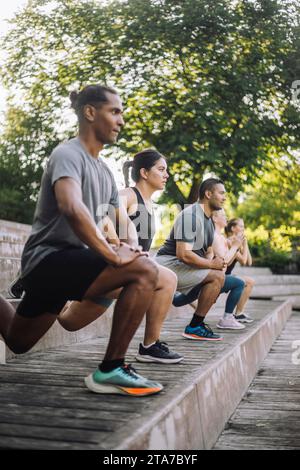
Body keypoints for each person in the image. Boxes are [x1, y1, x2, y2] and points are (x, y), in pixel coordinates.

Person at [0, 84, 164, 397]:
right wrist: (115, 257)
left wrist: (132, 247)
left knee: (17, 341)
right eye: (115, 112)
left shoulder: (104, 171)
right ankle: (111, 369)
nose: (121, 121)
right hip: (48, 261)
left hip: (70, 265)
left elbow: (122, 220)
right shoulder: (67, 154)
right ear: (90, 112)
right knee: (146, 272)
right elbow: (72, 207)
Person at [58, 149, 182, 364]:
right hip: (109, 266)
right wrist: (117, 245)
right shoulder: (128, 194)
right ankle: (150, 346)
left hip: (122, 272)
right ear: (144, 172)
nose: (166, 175)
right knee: (168, 278)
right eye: (161, 169)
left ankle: (48, 284)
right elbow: (102, 213)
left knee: (69, 322)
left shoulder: (150, 206)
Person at [155, 178, 227, 341]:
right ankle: (195, 326)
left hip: (182, 265)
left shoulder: (208, 220)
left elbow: (207, 251)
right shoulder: (191, 215)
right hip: (167, 264)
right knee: (217, 277)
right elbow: (183, 254)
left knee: (221, 279)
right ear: (208, 194)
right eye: (221, 193)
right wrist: (211, 265)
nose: (224, 197)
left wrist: (215, 263)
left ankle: (194, 322)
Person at [212, 210, 247, 330]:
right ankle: (230, 316)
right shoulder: (223, 239)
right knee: (240, 282)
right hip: (215, 275)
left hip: (220, 274)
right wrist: (236, 247)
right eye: (241, 226)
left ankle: (233, 315)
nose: (226, 217)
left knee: (180, 300)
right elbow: (227, 261)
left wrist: (243, 244)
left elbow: (246, 261)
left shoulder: (222, 238)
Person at [225, 218, 255, 323]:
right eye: (241, 226)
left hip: (228, 274)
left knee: (250, 281)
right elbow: (243, 261)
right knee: (249, 281)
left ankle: (239, 313)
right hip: (222, 275)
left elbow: (249, 262)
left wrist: (245, 244)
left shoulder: (238, 242)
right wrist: (244, 244)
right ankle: (237, 314)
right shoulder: (230, 242)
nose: (243, 228)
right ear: (233, 228)